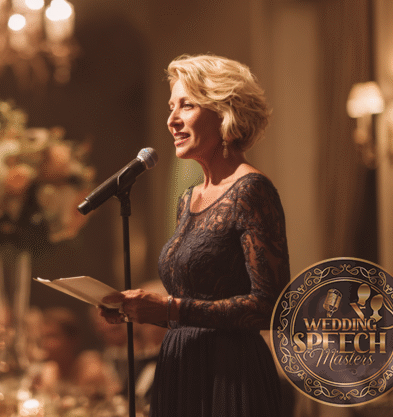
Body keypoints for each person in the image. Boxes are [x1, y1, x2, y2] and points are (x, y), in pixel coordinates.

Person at [100, 54, 290, 417]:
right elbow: (191, 305)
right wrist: (138, 309)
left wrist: (168, 307)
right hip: (180, 365)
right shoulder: (189, 199)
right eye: (171, 106)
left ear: (225, 111)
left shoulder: (252, 190)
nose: (171, 119)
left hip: (230, 373)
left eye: (187, 105)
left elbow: (269, 307)